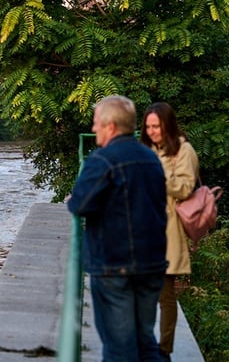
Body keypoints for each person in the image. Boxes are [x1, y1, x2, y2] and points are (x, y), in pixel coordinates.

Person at [67, 95, 167, 361]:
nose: (93, 129)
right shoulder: (151, 158)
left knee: (119, 349)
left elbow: (80, 204)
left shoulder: (102, 160)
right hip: (152, 263)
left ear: (110, 126)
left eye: (96, 123)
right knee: (146, 342)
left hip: (114, 265)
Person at [141, 102, 199, 362]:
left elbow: (186, 188)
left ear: (168, 125)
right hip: (142, 229)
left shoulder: (184, 150)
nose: (152, 131)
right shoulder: (147, 150)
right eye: (148, 126)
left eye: (157, 126)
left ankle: (163, 350)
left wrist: (159, 175)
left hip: (167, 230)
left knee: (165, 294)